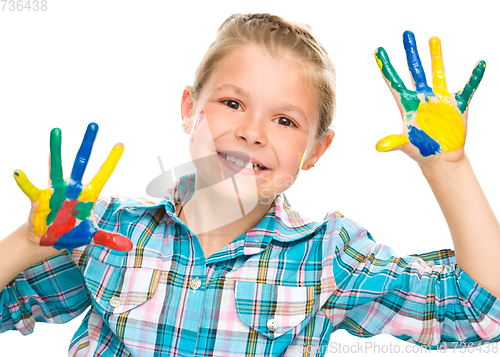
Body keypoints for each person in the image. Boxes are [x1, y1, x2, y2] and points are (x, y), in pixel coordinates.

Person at [1, 12, 499, 357]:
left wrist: (448, 168)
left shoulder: (327, 254)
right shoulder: (103, 232)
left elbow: (480, 313)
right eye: (233, 104)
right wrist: (26, 243)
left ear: (316, 150)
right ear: (188, 109)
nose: (253, 132)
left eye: (285, 120)